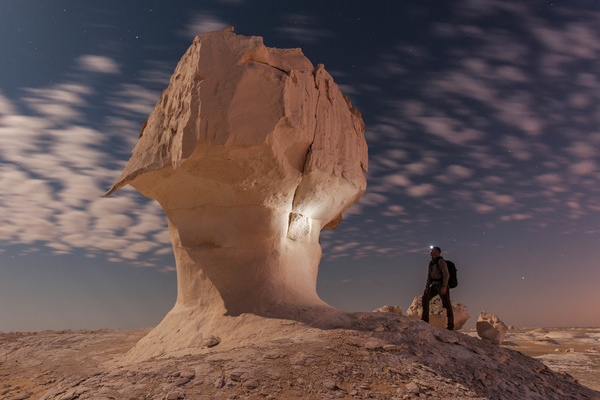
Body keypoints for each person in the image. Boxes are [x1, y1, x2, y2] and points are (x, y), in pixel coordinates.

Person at [421, 246, 454, 330]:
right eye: (431, 250)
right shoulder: (431, 263)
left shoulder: (441, 261)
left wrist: (444, 286)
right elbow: (429, 276)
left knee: (447, 304)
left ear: (438, 252)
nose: (431, 251)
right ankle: (425, 319)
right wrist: (427, 286)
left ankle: (450, 325)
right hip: (434, 285)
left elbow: (446, 274)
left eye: (433, 250)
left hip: (441, 285)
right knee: (425, 297)